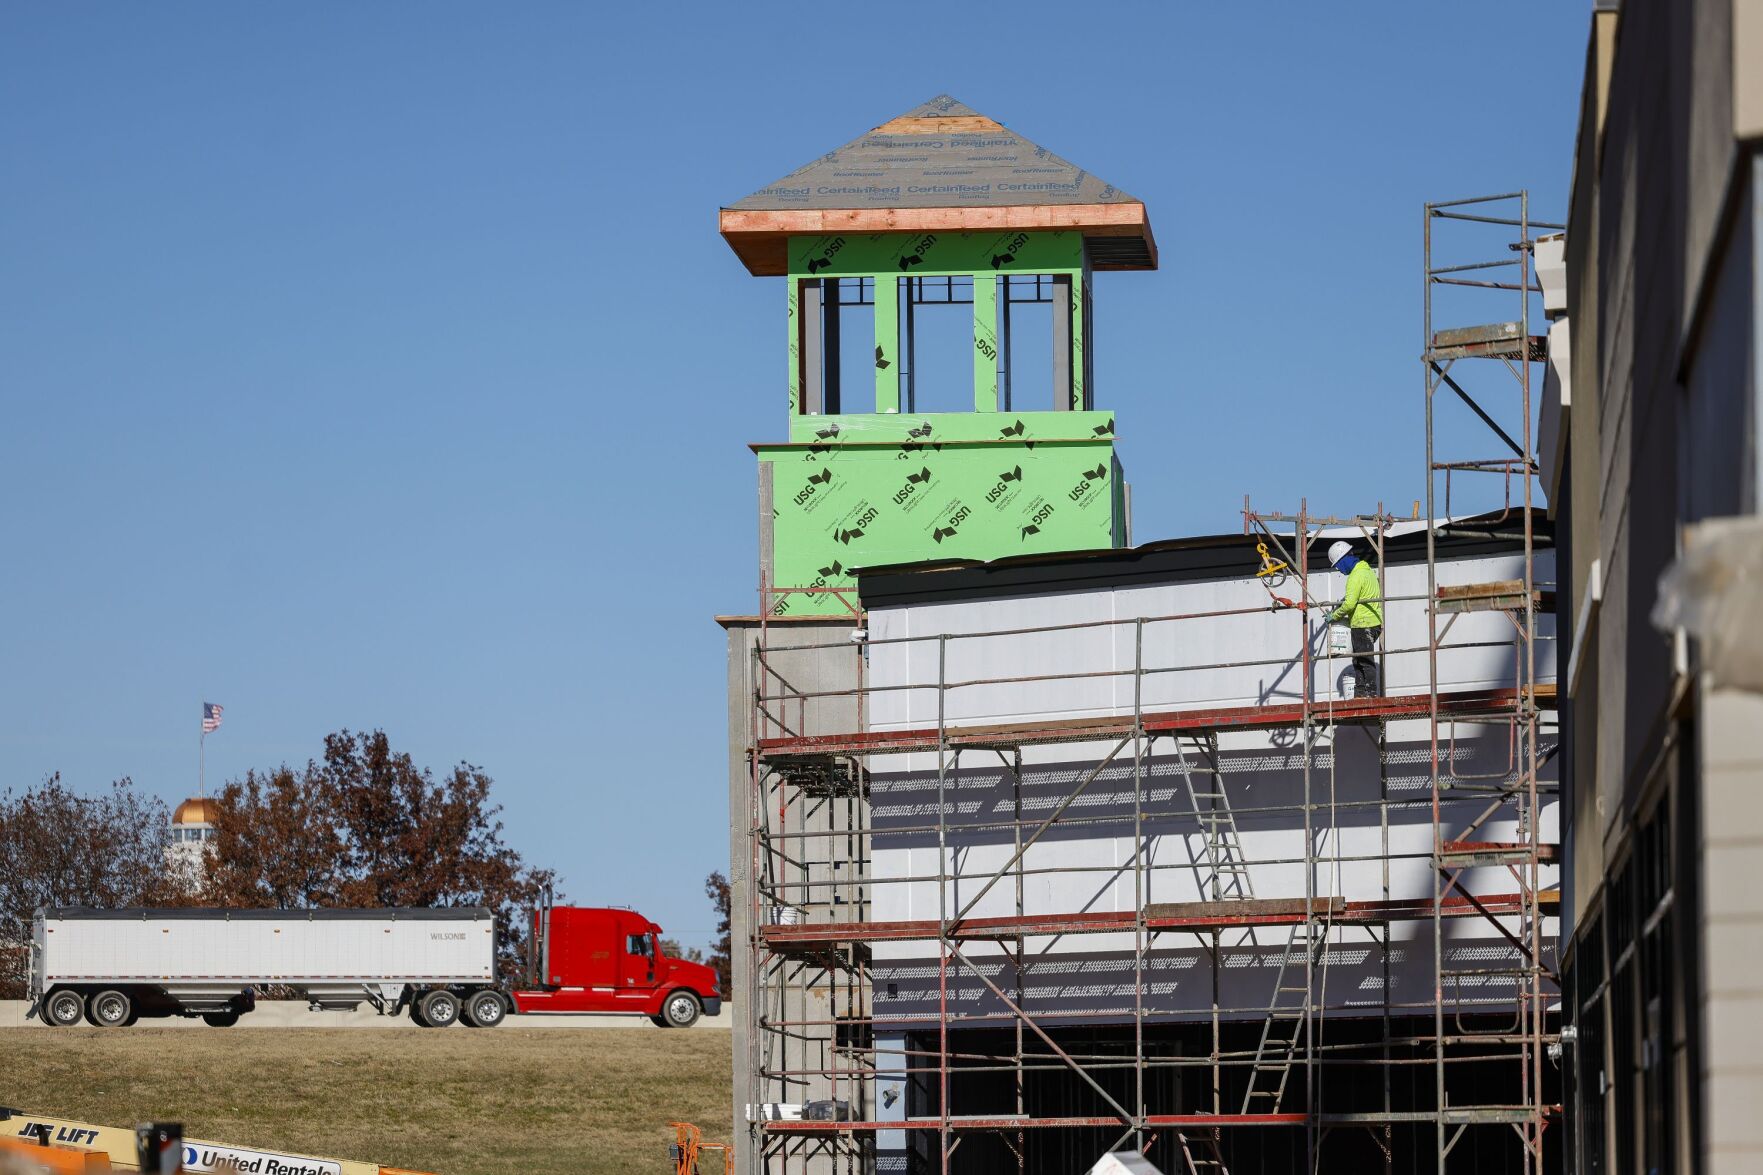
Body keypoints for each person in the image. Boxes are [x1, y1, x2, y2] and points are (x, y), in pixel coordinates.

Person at [1323, 540, 1383, 697]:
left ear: (1343, 559)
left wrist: (1333, 616)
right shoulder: (1368, 571)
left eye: (1337, 564)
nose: (1338, 569)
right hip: (1374, 623)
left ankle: (1368, 693)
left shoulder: (1355, 576)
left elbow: (1349, 605)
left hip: (1362, 623)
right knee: (1360, 659)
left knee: (1363, 660)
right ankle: (1361, 692)